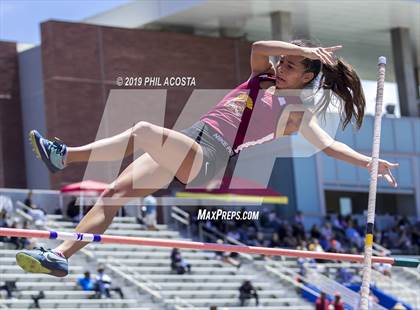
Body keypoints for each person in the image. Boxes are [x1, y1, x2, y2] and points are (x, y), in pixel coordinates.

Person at [16, 39, 399, 277]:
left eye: (290, 65)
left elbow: (328, 146)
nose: (280, 67)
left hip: (210, 155)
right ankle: (60, 257)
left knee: (142, 130)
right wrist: (298, 50)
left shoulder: (296, 110)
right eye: (283, 61)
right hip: (190, 140)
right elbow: (258, 48)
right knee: (114, 193)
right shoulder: (261, 78)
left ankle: (65, 156)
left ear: (306, 77)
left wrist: (368, 162)